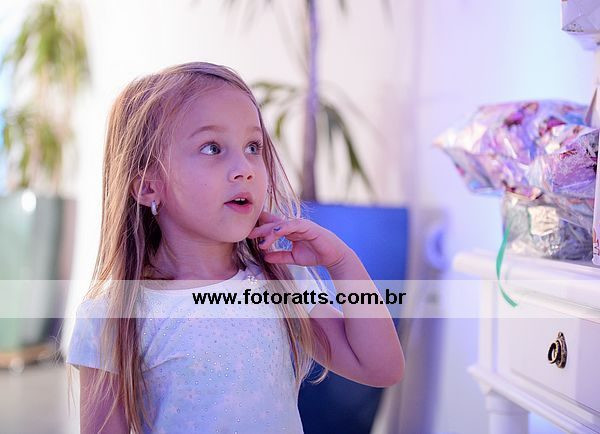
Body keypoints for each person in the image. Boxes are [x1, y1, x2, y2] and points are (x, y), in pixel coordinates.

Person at [65, 62, 404, 433]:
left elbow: (381, 368)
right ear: (148, 186)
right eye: (212, 148)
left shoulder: (281, 280)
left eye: (253, 147)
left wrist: (341, 262)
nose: (245, 168)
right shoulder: (113, 314)